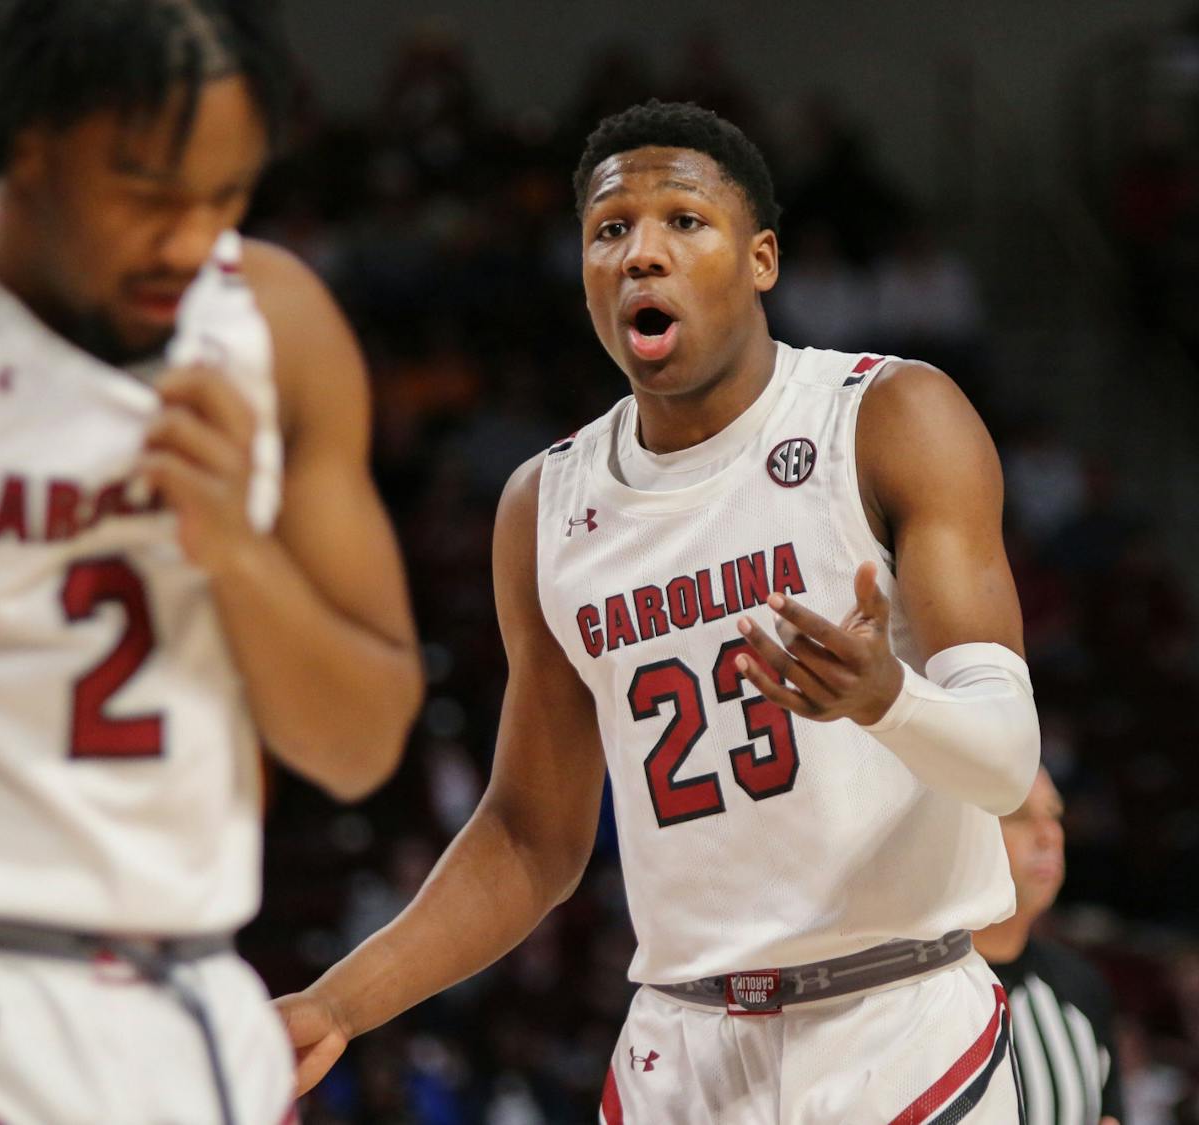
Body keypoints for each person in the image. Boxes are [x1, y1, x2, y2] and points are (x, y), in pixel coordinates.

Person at [279, 99, 1041, 1123]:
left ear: (762, 258)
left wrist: (885, 699)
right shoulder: (543, 509)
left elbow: (1004, 762)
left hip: (898, 1024)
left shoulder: (891, 418)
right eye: (610, 230)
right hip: (678, 1051)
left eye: (684, 220)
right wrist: (338, 1004)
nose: (643, 253)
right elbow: (528, 840)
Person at [0, 2, 421, 1122]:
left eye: (223, 200)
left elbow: (359, 750)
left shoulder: (273, 325)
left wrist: (236, 554)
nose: (187, 243)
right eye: (149, 196)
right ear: (34, 148)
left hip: (165, 1010)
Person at [973, 768, 1125, 1125]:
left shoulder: (1082, 988)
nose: (1049, 836)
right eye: (1020, 817)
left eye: (1055, 816)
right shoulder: (912, 985)